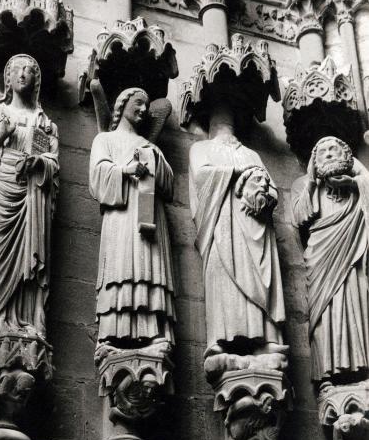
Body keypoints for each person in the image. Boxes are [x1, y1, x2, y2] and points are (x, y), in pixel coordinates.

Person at [0, 54, 59, 339]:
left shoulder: (42, 123)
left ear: (36, 80)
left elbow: (50, 160)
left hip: (31, 194)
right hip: (0, 188)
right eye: (16, 69)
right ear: (7, 78)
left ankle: (28, 322)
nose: (23, 73)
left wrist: (38, 164)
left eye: (30, 70)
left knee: (29, 257)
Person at [189, 131, 287, 376]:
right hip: (222, 224)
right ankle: (221, 341)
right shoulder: (200, 148)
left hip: (256, 226)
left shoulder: (251, 153)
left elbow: (272, 190)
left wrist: (262, 189)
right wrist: (236, 172)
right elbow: (201, 176)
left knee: (260, 278)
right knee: (224, 278)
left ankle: (266, 341)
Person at [89, 87, 176, 360]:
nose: (142, 110)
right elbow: (97, 178)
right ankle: (113, 334)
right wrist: (126, 170)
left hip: (150, 218)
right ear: (122, 104)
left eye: (146, 107)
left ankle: (152, 333)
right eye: (138, 103)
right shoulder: (105, 140)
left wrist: (154, 160)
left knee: (149, 268)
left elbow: (169, 186)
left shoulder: (150, 145)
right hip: (121, 216)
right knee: (121, 268)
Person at [292, 136, 369, 383]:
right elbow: (300, 217)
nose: (327, 154)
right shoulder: (304, 185)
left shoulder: (358, 184)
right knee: (325, 310)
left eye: (334, 149)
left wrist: (358, 176)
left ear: (346, 155)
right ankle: (328, 372)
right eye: (321, 151)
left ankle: (361, 366)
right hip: (321, 257)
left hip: (352, 258)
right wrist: (312, 183)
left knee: (355, 300)